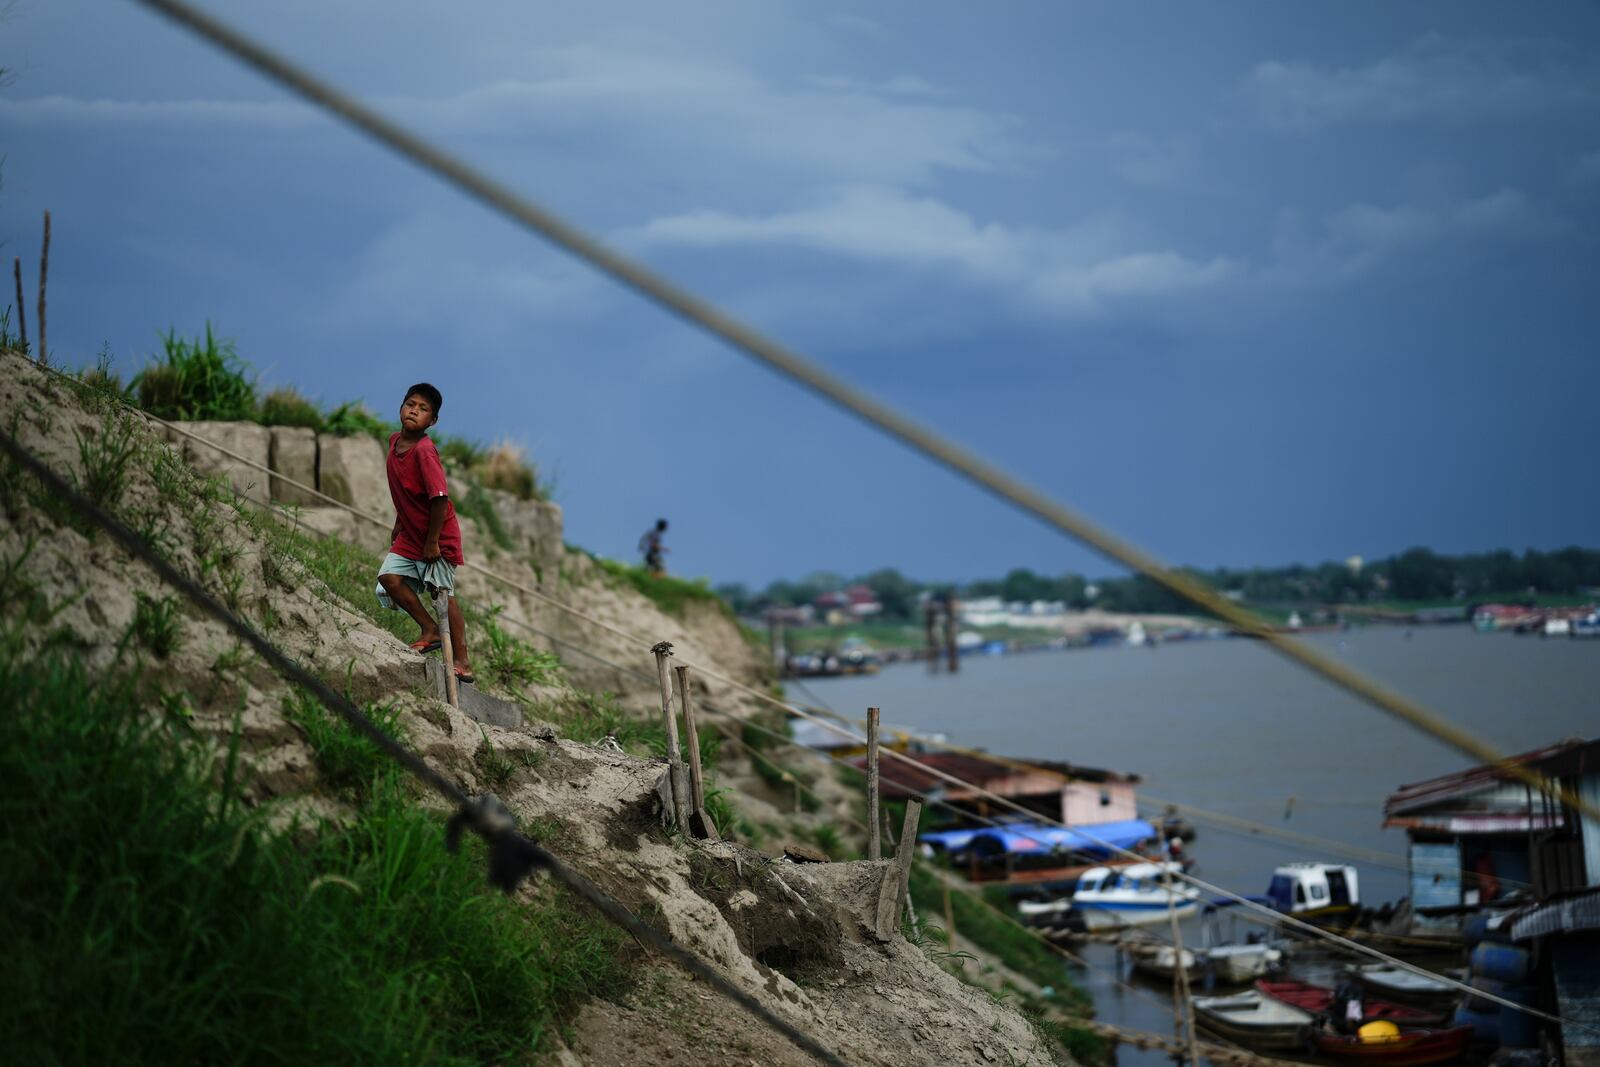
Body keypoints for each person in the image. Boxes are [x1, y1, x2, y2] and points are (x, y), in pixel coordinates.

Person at [376, 382, 473, 684]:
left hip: (436, 536)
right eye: (410, 404)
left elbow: (439, 498)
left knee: (443, 595)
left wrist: (432, 542)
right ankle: (429, 630)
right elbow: (407, 492)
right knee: (389, 578)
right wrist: (399, 522)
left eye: (423, 409)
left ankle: (463, 661)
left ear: (432, 421)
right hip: (411, 532)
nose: (414, 411)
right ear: (401, 407)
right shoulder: (394, 443)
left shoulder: (424, 451)